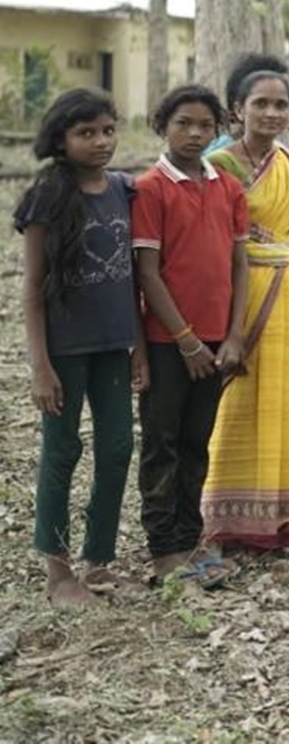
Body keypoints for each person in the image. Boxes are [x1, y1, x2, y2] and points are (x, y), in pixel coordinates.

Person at [15, 88, 144, 605]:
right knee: (62, 449)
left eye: (108, 130)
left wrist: (137, 344)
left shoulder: (123, 189)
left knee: (117, 448)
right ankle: (58, 571)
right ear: (61, 139)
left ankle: (100, 559)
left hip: (114, 345)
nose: (100, 141)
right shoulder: (48, 196)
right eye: (86, 132)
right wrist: (40, 366)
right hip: (65, 350)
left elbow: (134, 276)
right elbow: (31, 291)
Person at [134, 85, 249, 589]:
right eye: (183, 123)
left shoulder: (228, 186)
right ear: (164, 125)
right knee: (162, 443)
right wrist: (184, 339)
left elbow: (238, 263)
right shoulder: (150, 188)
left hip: (218, 341)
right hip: (168, 343)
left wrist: (234, 335)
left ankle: (191, 537)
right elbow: (147, 272)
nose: (195, 133)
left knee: (197, 442)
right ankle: (163, 549)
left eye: (205, 124)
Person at [203, 70, 289, 550]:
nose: (272, 113)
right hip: (235, 293)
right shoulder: (217, 164)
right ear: (237, 109)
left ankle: (274, 513)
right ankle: (221, 513)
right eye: (260, 104)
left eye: (280, 104)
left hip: (284, 290)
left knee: (281, 399)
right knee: (234, 399)